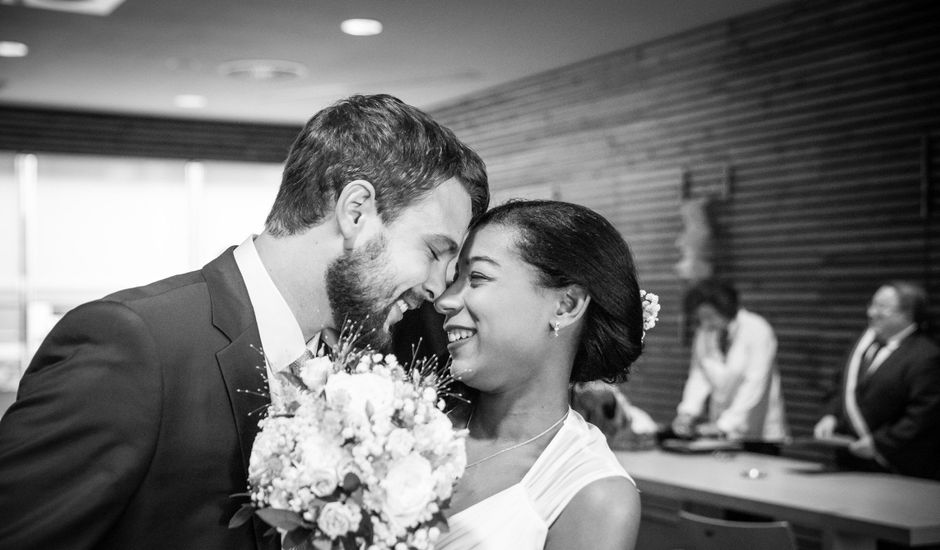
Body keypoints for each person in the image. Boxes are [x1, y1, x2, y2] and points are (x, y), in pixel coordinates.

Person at [0, 94, 489, 550]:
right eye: (433, 251)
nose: (437, 290)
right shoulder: (137, 344)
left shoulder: (345, 372)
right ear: (356, 211)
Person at [433, 200, 645, 550]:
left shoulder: (593, 496)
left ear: (566, 305)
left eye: (478, 277)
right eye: (455, 278)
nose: (444, 300)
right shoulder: (410, 418)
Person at [814, 281, 940, 480]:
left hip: (895, 466)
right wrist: (830, 415)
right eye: (872, 305)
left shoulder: (926, 354)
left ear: (907, 313)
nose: (872, 312)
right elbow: (841, 386)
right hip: (849, 461)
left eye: (882, 307)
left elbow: (923, 414)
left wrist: (880, 443)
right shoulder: (862, 345)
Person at [671, 279, 788, 444]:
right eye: (700, 317)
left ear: (726, 309)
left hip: (758, 434)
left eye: (710, 316)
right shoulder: (705, 332)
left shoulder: (757, 329)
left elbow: (754, 383)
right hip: (721, 431)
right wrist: (687, 413)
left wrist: (725, 425)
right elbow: (699, 376)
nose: (705, 323)